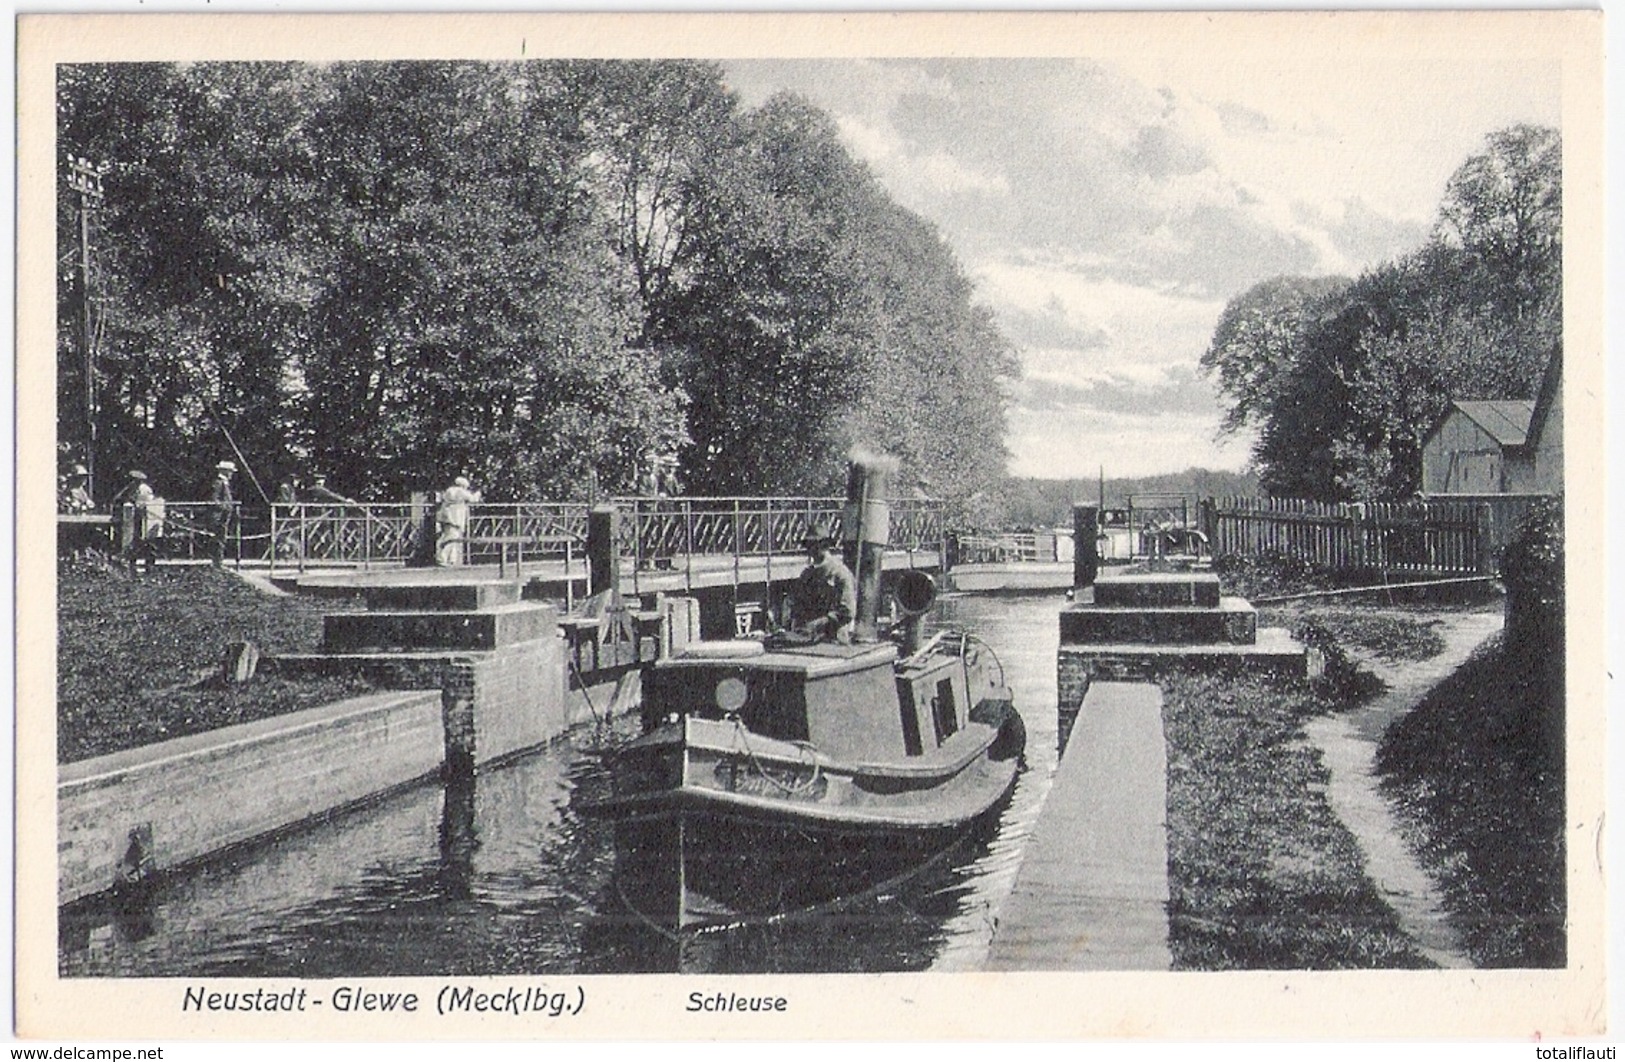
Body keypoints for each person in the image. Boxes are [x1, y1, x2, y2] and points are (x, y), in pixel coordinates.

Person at [784, 521, 856, 644]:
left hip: (833, 640)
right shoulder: (807, 574)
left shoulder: (839, 573)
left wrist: (821, 622)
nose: (811, 549)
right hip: (807, 639)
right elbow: (797, 604)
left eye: (815, 544)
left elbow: (848, 611)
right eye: (809, 545)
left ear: (825, 545)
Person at [110, 470, 162, 574]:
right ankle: (131, 565)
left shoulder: (145, 489)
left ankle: (149, 566)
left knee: (148, 543)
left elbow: (149, 503)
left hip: (145, 519)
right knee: (132, 543)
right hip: (132, 520)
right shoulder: (129, 489)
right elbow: (118, 499)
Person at [436, 474, 481, 566]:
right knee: (452, 538)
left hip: (446, 516)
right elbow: (473, 499)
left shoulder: (449, 491)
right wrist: (478, 493)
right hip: (456, 516)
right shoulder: (461, 492)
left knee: (450, 536)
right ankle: (442, 558)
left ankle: (452, 559)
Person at [208, 460, 236, 569]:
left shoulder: (225, 483)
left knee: (222, 538)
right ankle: (217, 562)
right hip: (219, 516)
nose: (231, 474)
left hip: (223, 516)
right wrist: (225, 507)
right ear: (225, 471)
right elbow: (214, 499)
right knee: (218, 539)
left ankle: (219, 561)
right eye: (230, 472)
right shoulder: (218, 482)